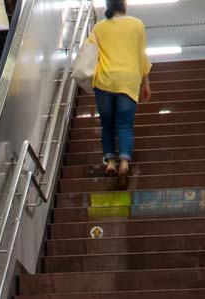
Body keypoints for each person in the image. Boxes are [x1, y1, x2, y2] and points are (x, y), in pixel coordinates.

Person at [88, 0, 151, 189]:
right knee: (124, 125)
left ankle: (110, 162)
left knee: (107, 126)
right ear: (123, 4)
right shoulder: (137, 25)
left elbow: (91, 54)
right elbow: (142, 56)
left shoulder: (99, 28)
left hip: (104, 81)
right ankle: (124, 163)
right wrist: (146, 83)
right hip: (128, 82)